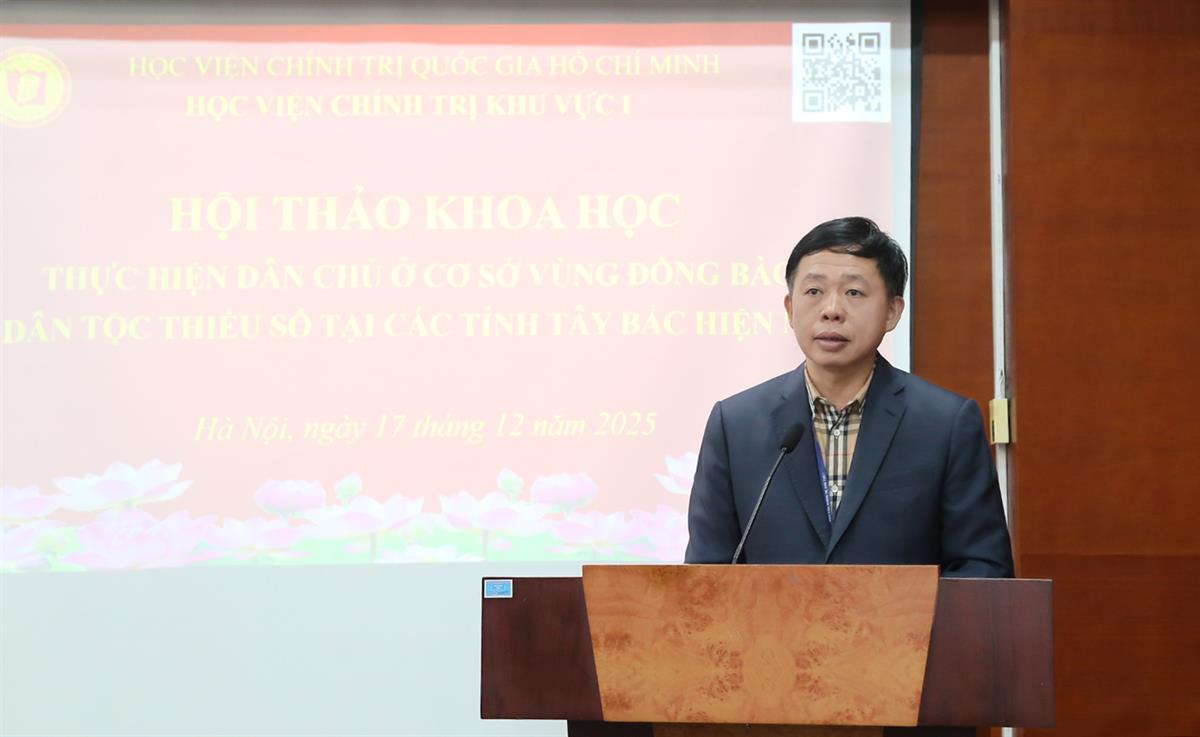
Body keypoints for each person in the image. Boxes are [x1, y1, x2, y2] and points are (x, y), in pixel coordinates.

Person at [684, 216, 1014, 577]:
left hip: (902, 617)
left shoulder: (945, 424)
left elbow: (983, 571)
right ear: (790, 309)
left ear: (892, 312)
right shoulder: (735, 425)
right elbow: (705, 576)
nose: (831, 310)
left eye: (854, 293)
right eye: (814, 292)